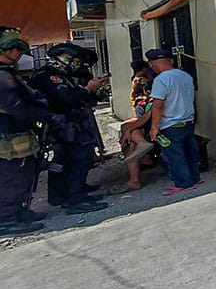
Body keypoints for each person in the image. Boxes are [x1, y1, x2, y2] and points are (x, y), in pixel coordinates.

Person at [30, 43, 110, 214]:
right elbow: (68, 98)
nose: (78, 64)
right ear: (65, 57)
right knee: (76, 161)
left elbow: (84, 99)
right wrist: (87, 89)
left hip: (68, 126)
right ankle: (75, 200)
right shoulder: (50, 76)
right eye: (76, 60)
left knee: (69, 162)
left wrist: (92, 90)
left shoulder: (63, 75)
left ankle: (69, 195)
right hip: (62, 127)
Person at [0, 27, 52, 235]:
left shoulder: (8, 73)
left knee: (24, 175)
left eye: (19, 48)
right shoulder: (2, 77)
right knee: (10, 178)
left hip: (17, 135)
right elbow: (16, 106)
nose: (16, 53)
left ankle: (19, 211)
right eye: (11, 48)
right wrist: (45, 114)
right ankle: (5, 220)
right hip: (6, 138)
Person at [146, 49, 200, 196]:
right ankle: (195, 178)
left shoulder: (161, 80)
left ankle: (183, 183)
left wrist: (154, 127)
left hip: (170, 124)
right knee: (190, 152)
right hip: (188, 121)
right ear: (171, 61)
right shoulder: (185, 76)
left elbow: (157, 105)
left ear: (152, 65)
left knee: (174, 155)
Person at [114, 61, 155, 192]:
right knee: (127, 129)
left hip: (153, 123)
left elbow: (146, 118)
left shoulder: (142, 97)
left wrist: (129, 130)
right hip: (151, 119)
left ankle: (135, 179)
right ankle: (143, 154)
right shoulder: (147, 86)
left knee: (130, 139)